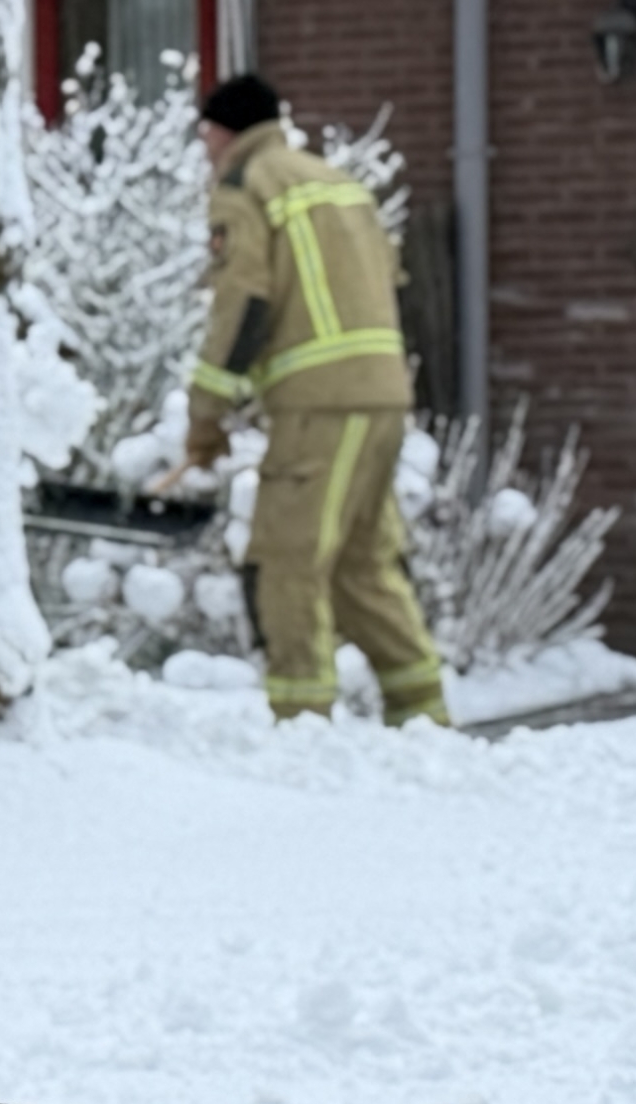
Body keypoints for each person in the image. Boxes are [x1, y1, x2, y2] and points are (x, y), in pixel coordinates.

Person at [182, 74, 450, 725]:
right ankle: (422, 714)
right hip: (382, 398)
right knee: (362, 564)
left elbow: (245, 301)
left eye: (206, 135)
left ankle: (301, 726)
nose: (205, 150)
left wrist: (207, 412)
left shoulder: (247, 187)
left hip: (320, 407)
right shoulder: (338, 183)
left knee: (287, 559)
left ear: (224, 131)